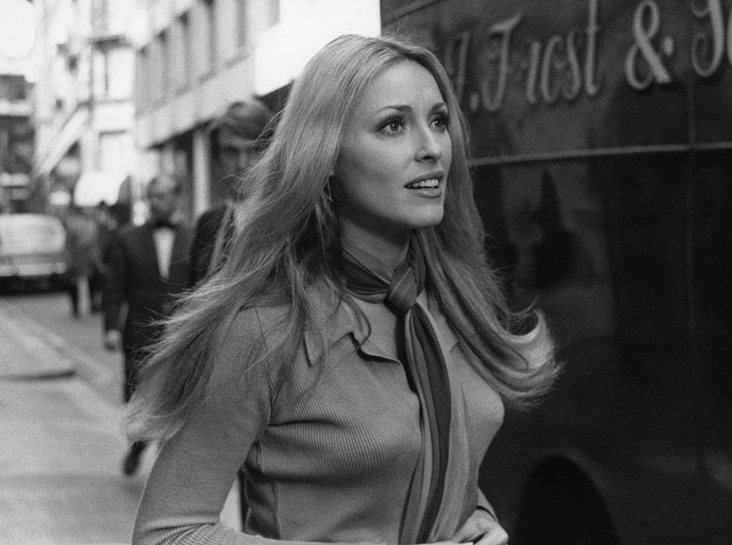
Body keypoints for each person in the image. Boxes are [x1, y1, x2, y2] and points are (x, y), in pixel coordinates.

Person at [126, 34, 559, 545]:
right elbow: (166, 533)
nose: (431, 148)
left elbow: (418, 466)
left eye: (439, 121)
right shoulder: (262, 330)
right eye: (393, 125)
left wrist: (474, 513)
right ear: (325, 153)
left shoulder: (449, 299)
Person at [103, 174, 194, 476]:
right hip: (140, 333)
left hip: (180, 336)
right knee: (140, 401)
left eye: (161, 196)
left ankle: (165, 465)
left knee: (175, 401)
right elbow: (114, 287)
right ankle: (138, 445)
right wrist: (111, 328)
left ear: (176, 198)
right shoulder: (128, 239)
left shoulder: (193, 237)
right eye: (151, 196)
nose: (155, 203)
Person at [188, 98, 273, 284]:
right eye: (231, 152)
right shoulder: (208, 224)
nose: (242, 164)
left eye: (254, 149)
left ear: (271, 151)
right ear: (217, 158)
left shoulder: (291, 214)